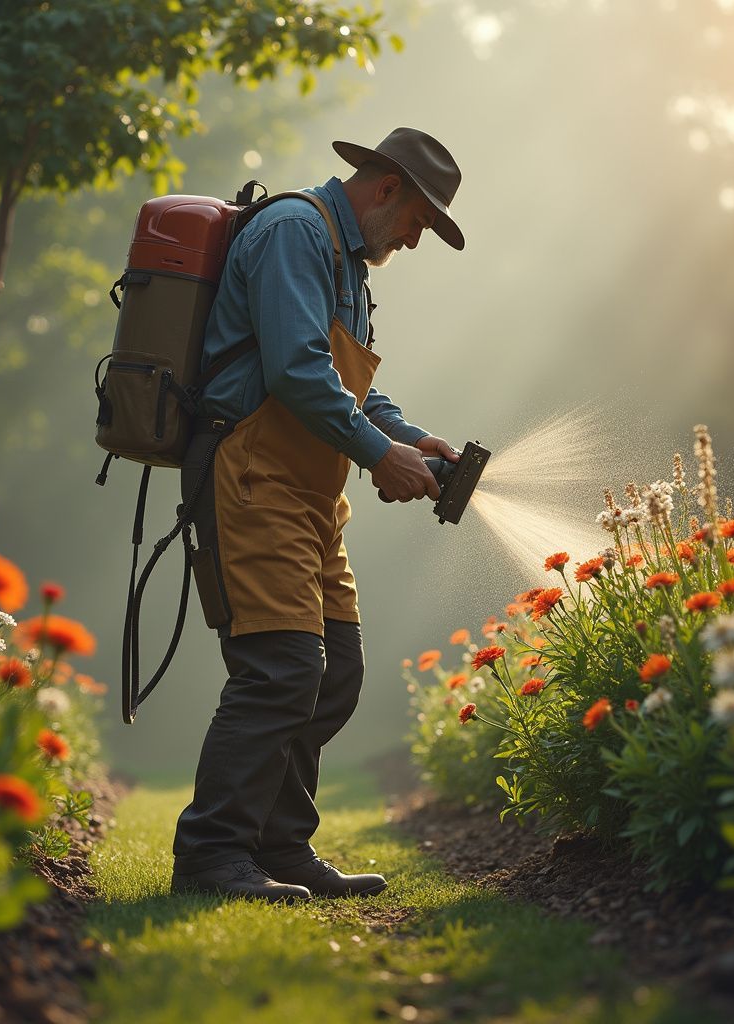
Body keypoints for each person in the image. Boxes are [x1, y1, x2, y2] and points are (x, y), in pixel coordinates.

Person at [169, 127, 465, 904]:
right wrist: (380, 457)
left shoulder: (346, 264)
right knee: (283, 670)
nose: (414, 240)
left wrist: (408, 437)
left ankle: (281, 845)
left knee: (336, 672)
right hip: (249, 477)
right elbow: (298, 372)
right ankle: (210, 853)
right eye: (418, 223)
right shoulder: (296, 232)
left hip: (306, 493)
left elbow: (349, 385)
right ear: (386, 187)